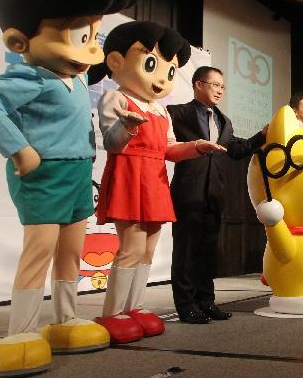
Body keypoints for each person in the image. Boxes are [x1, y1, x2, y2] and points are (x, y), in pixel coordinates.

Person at [0, 0, 139, 378]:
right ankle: (21, 331)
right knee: (38, 252)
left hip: (78, 173)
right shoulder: (31, 76)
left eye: (93, 34)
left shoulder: (76, 82)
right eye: (80, 35)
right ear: (20, 42)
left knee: (71, 253)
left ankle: (64, 319)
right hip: (44, 176)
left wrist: (125, 129)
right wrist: (20, 149)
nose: (90, 47)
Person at [92, 22, 224, 343]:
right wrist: (128, 126)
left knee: (149, 248)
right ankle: (113, 313)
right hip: (128, 174)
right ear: (116, 62)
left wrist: (195, 147)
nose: (161, 80)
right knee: (131, 246)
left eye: (169, 72)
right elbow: (113, 144)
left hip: (155, 178)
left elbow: (168, 150)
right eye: (152, 65)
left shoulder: (161, 110)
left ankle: (135, 307)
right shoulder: (116, 99)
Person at [167, 67, 267, 323]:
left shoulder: (225, 120)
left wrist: (261, 137)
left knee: (207, 252)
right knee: (186, 252)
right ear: (198, 85)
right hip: (188, 191)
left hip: (214, 194)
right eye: (215, 85)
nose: (220, 90)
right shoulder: (176, 113)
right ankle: (186, 305)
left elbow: (235, 150)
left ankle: (206, 301)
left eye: (223, 86)